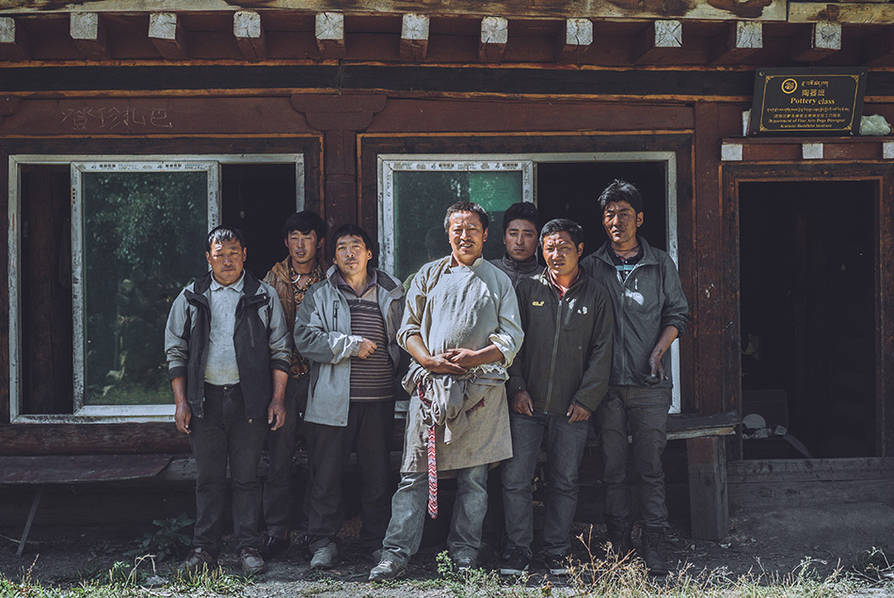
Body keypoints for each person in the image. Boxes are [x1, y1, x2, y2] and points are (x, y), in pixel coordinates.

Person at [369, 201, 524, 582]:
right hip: (430, 390)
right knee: (414, 475)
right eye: (457, 228)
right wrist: (428, 360)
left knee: (474, 479)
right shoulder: (428, 275)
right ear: (448, 233)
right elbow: (408, 329)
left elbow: (511, 336)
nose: (464, 235)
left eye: (472, 228)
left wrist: (476, 357)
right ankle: (395, 553)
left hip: (481, 392)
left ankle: (464, 553)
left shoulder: (498, 280)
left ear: (485, 235)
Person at [164, 226, 291, 576]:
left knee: (247, 477)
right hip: (204, 400)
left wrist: (277, 399)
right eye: (220, 255)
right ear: (208, 258)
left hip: (249, 400)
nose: (227, 260)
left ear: (245, 254)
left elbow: (280, 349)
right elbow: (175, 350)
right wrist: (181, 402)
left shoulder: (262, 295)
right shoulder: (192, 296)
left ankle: (248, 547)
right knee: (208, 479)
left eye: (234, 253)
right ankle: (204, 548)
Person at [581, 180, 689, 575]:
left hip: (649, 386)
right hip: (607, 387)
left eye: (624, 213)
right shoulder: (591, 266)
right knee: (612, 468)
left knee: (650, 468)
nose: (616, 221)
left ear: (639, 219)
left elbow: (677, 314)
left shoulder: (660, 264)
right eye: (609, 214)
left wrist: (658, 352)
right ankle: (620, 544)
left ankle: (654, 543)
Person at [500, 218, 614, 576]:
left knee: (564, 482)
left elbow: (603, 352)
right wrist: (517, 387)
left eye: (564, 247)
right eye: (549, 247)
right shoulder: (527, 289)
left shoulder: (596, 295)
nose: (556, 254)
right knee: (515, 480)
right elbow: (512, 343)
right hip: (526, 406)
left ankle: (557, 550)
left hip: (572, 409)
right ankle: (518, 550)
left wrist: (587, 399)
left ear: (580, 250)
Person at [294, 224, 405, 569]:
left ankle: (376, 542)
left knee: (377, 476)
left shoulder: (392, 292)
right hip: (331, 402)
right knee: (326, 476)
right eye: (341, 248)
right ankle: (322, 542)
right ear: (334, 257)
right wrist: (349, 345)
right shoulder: (320, 294)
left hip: (380, 401)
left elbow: (408, 337)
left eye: (356, 246)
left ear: (369, 253)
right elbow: (304, 339)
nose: (349, 253)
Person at [259, 211, 327, 559]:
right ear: (286, 242)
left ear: (319, 242)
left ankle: (317, 532)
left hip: (320, 379)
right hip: (283, 381)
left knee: (321, 458)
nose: (301, 245)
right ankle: (276, 530)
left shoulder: (329, 278)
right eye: (294, 238)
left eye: (308, 237)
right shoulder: (271, 280)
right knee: (279, 457)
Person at [490, 202, 541, 287]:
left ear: (539, 240)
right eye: (513, 234)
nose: (519, 242)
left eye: (528, 235)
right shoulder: (488, 271)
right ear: (504, 238)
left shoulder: (548, 279)